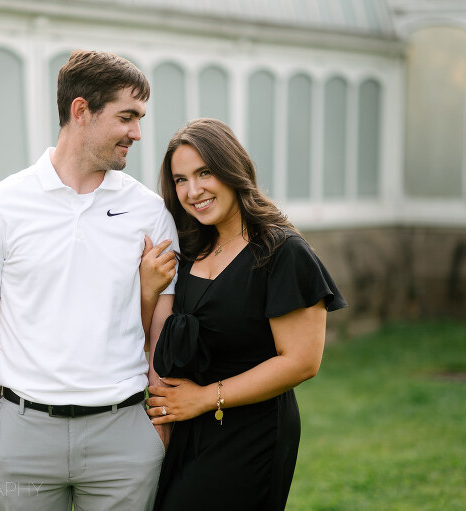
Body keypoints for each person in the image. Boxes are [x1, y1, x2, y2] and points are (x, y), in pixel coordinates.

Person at [0, 50, 178, 511]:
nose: (137, 132)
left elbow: (163, 326)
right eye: (127, 117)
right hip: (21, 437)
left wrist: (158, 432)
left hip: (125, 439)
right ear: (81, 111)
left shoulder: (150, 211)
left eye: (139, 118)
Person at [141, 118, 347, 510]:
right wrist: (149, 289)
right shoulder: (188, 249)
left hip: (251, 431)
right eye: (181, 179)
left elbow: (302, 362)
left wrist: (204, 399)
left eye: (205, 173)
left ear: (233, 169)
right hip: (186, 429)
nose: (193, 190)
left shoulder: (281, 251)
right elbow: (157, 336)